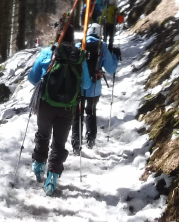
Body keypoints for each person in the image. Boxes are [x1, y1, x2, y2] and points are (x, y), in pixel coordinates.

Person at [27, 25, 88, 195]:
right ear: (73, 38)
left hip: (46, 104)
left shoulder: (47, 53)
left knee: (43, 134)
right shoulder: (78, 56)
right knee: (59, 143)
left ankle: (39, 166)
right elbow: (86, 84)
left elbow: (32, 78)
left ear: (57, 36)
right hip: (68, 108)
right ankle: (52, 179)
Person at [72, 24, 120, 150]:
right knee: (91, 110)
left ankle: (76, 142)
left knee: (77, 112)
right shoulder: (102, 47)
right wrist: (115, 56)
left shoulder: (79, 45)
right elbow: (111, 69)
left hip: (79, 86)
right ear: (100, 34)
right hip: (94, 87)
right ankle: (90, 139)